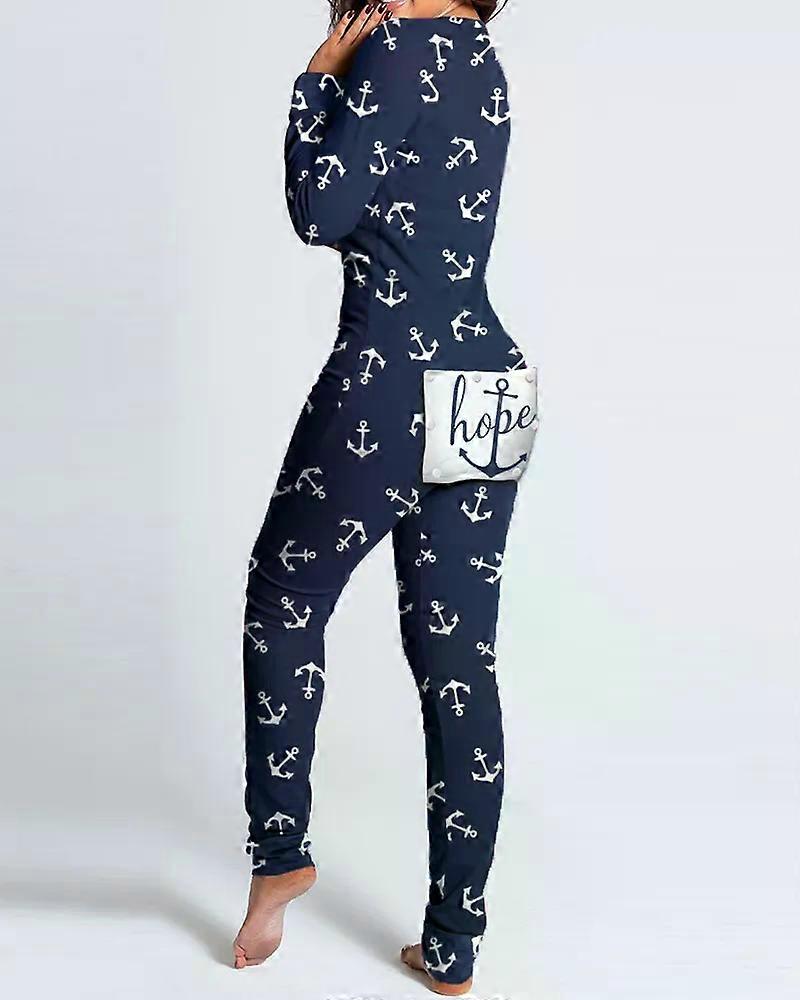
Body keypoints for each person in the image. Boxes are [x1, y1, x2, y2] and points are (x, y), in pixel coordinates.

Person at [233, 1, 528, 994]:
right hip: (490, 376)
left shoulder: (393, 49)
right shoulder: (483, 59)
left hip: (391, 375)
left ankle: (280, 855)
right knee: (459, 666)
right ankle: (452, 945)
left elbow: (319, 211)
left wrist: (317, 76)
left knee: (281, 602)